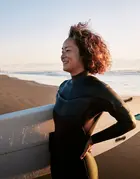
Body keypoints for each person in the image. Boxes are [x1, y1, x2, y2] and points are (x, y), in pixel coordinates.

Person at [49, 22, 136, 179]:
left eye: (67, 50)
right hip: (57, 164)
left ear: (83, 54)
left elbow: (129, 122)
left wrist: (93, 139)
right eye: (61, 51)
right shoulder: (63, 86)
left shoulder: (99, 89)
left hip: (80, 167)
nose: (62, 55)